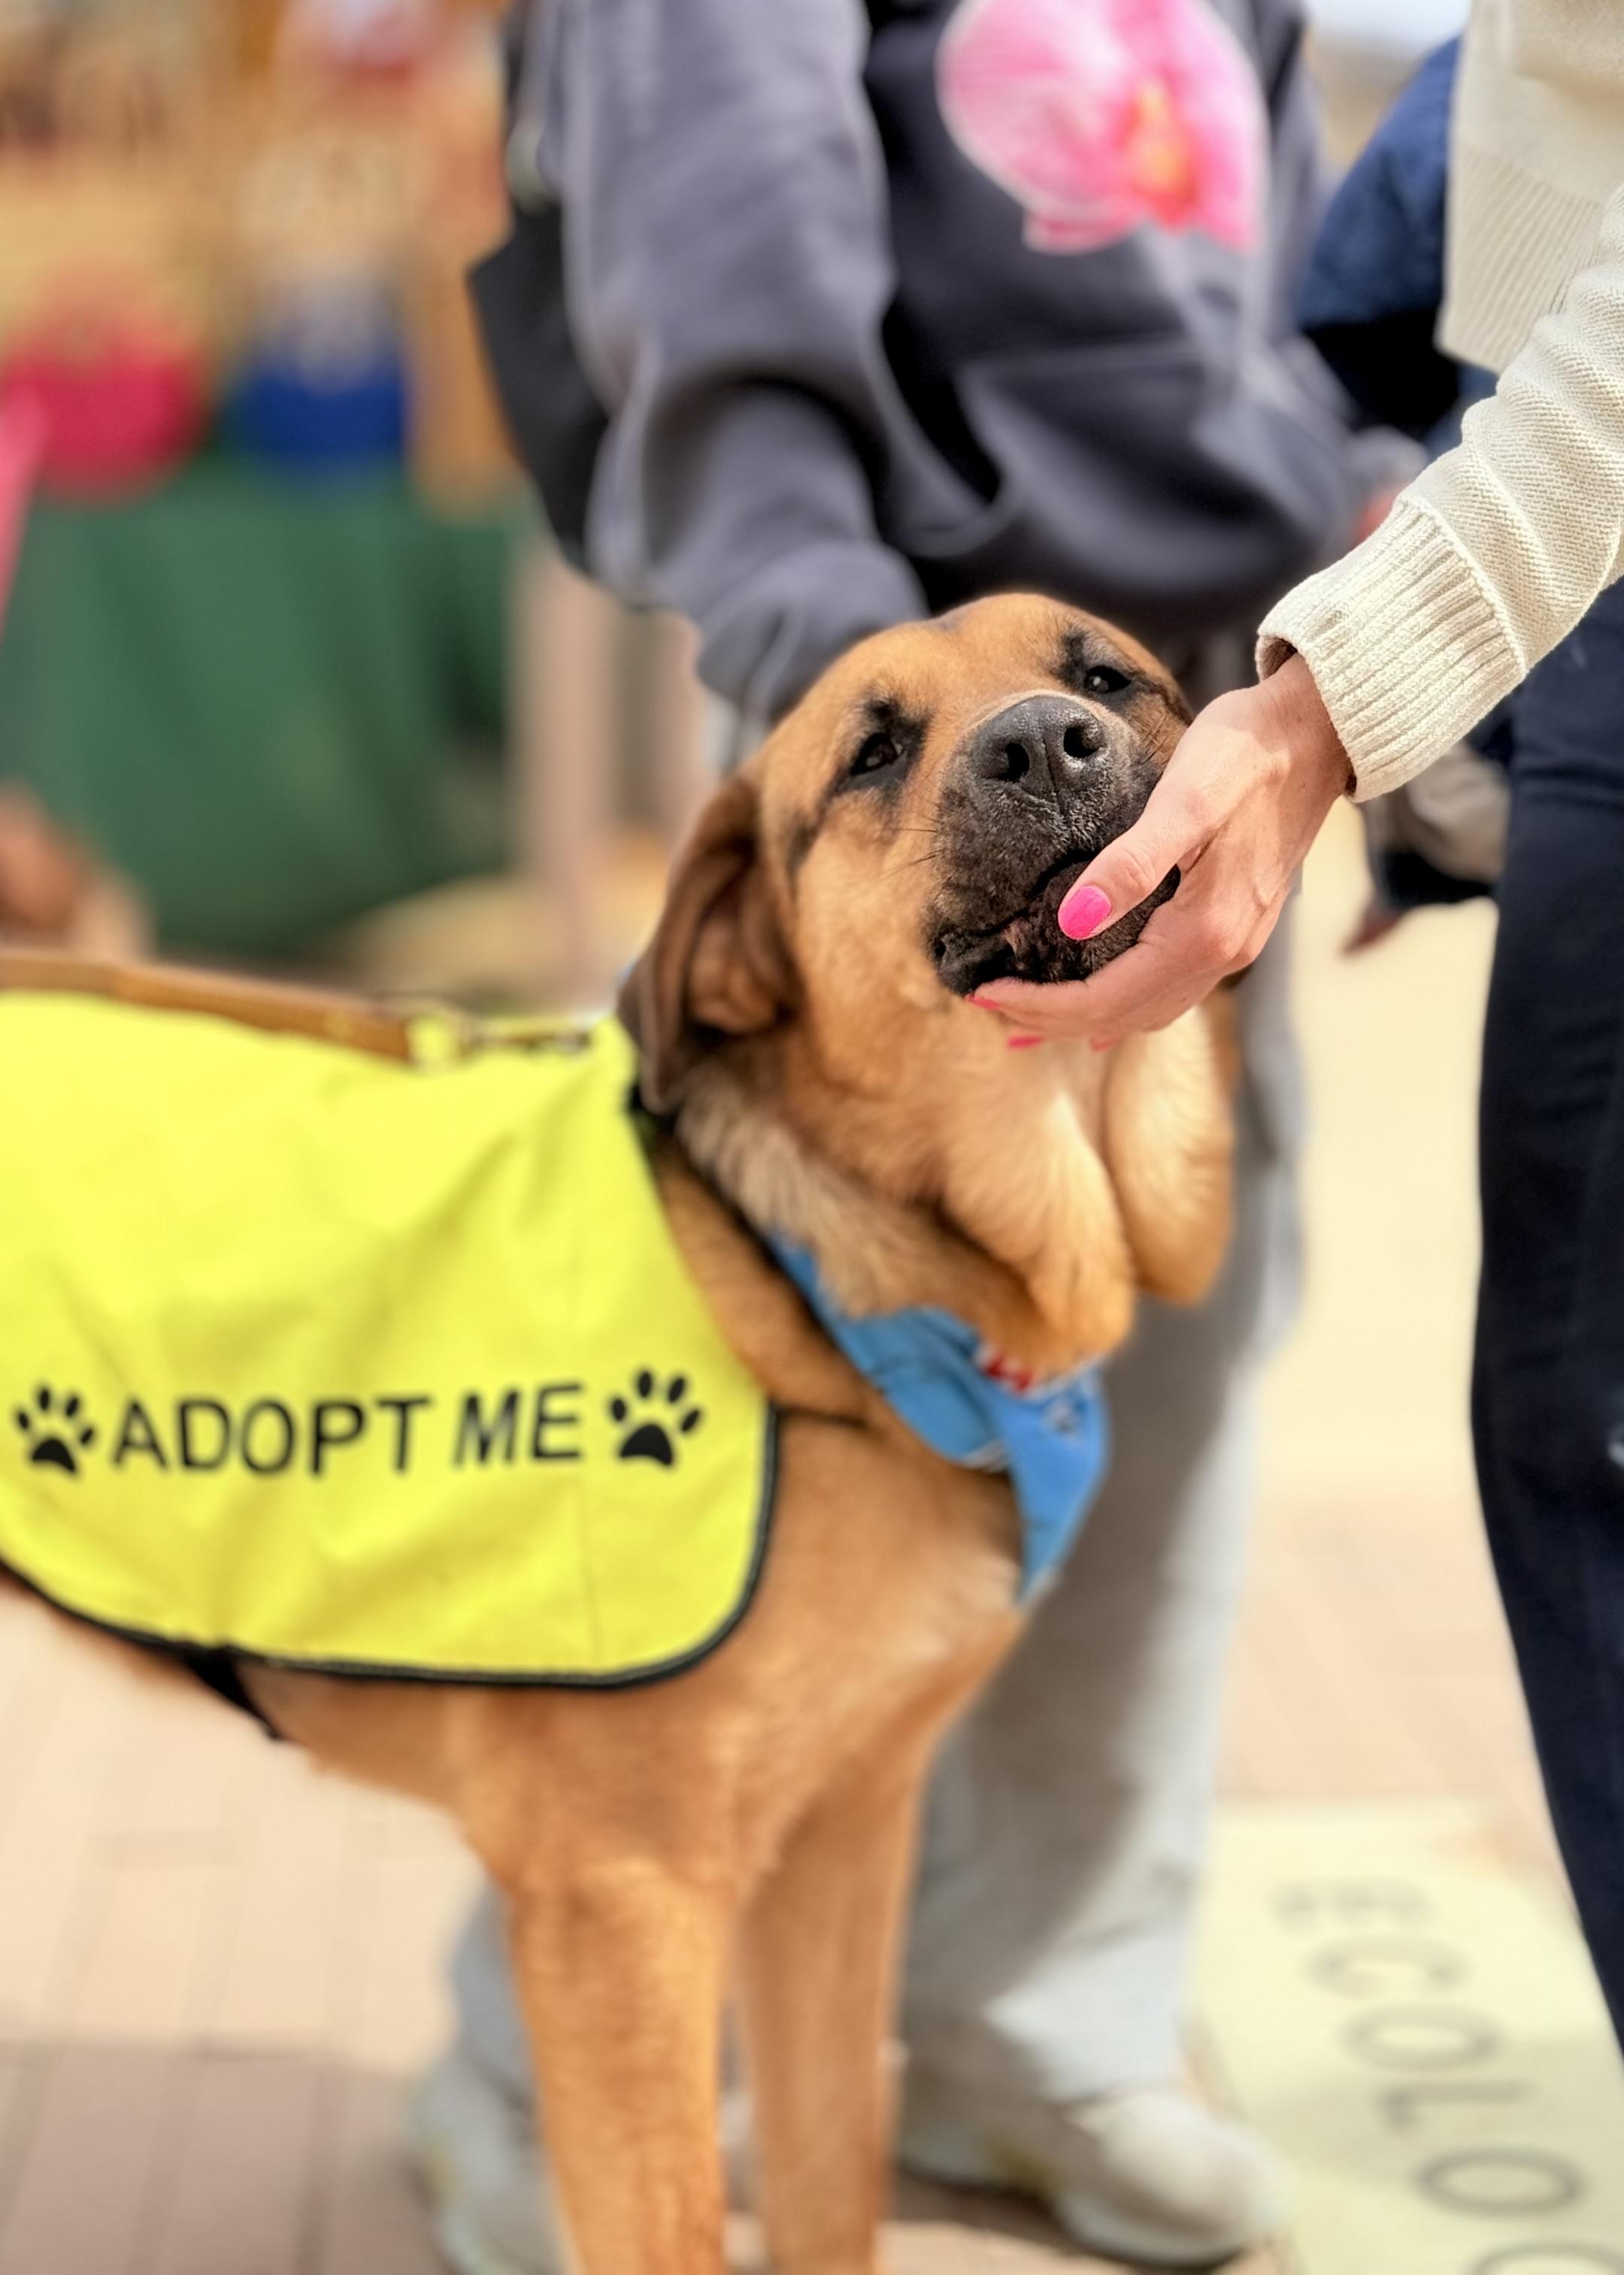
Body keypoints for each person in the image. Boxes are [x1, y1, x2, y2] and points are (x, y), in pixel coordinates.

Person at [412, 4, 1392, 2266]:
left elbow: (1292, 297)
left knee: (1174, 1386)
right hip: (862, 721)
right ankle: (534, 2073)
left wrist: (1349, 679)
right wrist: (871, 708)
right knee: (691, 1514)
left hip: (1201, 721)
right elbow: (716, 282)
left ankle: (1033, 2027)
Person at [977, 3, 1624, 2055]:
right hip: (1559, 574)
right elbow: (1475, 177)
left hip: (1540, 538)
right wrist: (1422, 740)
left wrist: (1339, 700)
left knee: (1582, 1418)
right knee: (1572, 1415)